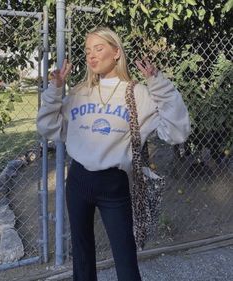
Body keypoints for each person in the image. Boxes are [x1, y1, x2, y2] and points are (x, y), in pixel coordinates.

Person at [37, 26, 191, 281]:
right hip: (77, 181)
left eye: (99, 48)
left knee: (126, 260)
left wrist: (160, 85)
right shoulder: (78, 93)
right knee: (82, 257)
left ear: (116, 52)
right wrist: (55, 91)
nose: (92, 56)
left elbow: (177, 132)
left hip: (113, 184)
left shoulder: (136, 93)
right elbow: (48, 127)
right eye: (88, 51)